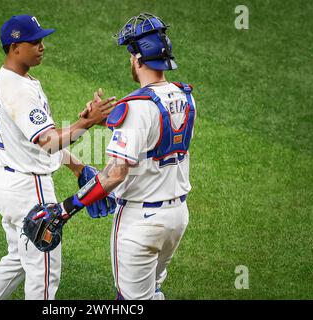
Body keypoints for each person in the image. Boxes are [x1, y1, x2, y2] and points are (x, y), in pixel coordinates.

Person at [26, 12, 196, 300]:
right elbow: (158, 134)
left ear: (139, 59)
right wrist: (103, 120)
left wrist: (66, 209)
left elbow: (116, 174)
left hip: (140, 223)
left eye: (131, 56)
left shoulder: (137, 106)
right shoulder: (185, 97)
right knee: (152, 291)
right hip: (176, 218)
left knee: (129, 301)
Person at [0, 14, 116, 300]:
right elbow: (48, 142)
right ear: (15, 47)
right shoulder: (18, 89)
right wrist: (86, 124)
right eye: (35, 42)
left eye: (42, 40)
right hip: (29, 188)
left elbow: (40, 141)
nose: (42, 47)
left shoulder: (10, 77)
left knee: (18, 257)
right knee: (44, 273)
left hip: (6, 179)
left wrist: (77, 166)